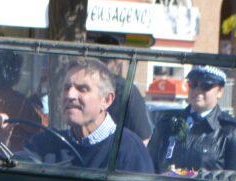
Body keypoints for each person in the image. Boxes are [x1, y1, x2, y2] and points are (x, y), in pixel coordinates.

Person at [24, 58, 153, 173]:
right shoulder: (45, 144)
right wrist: (4, 135)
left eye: (82, 89)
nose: (70, 95)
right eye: (67, 88)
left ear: (106, 100)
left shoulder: (128, 149)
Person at [147, 66, 236, 175]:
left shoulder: (232, 131)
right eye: (193, 85)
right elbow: (147, 166)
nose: (197, 91)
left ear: (220, 91)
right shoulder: (167, 124)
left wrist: (199, 178)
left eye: (206, 86)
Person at [0, 51, 46, 152]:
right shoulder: (16, 100)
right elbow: (41, 126)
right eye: (19, 70)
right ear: (13, 72)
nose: (21, 73)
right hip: (12, 154)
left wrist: (34, 98)